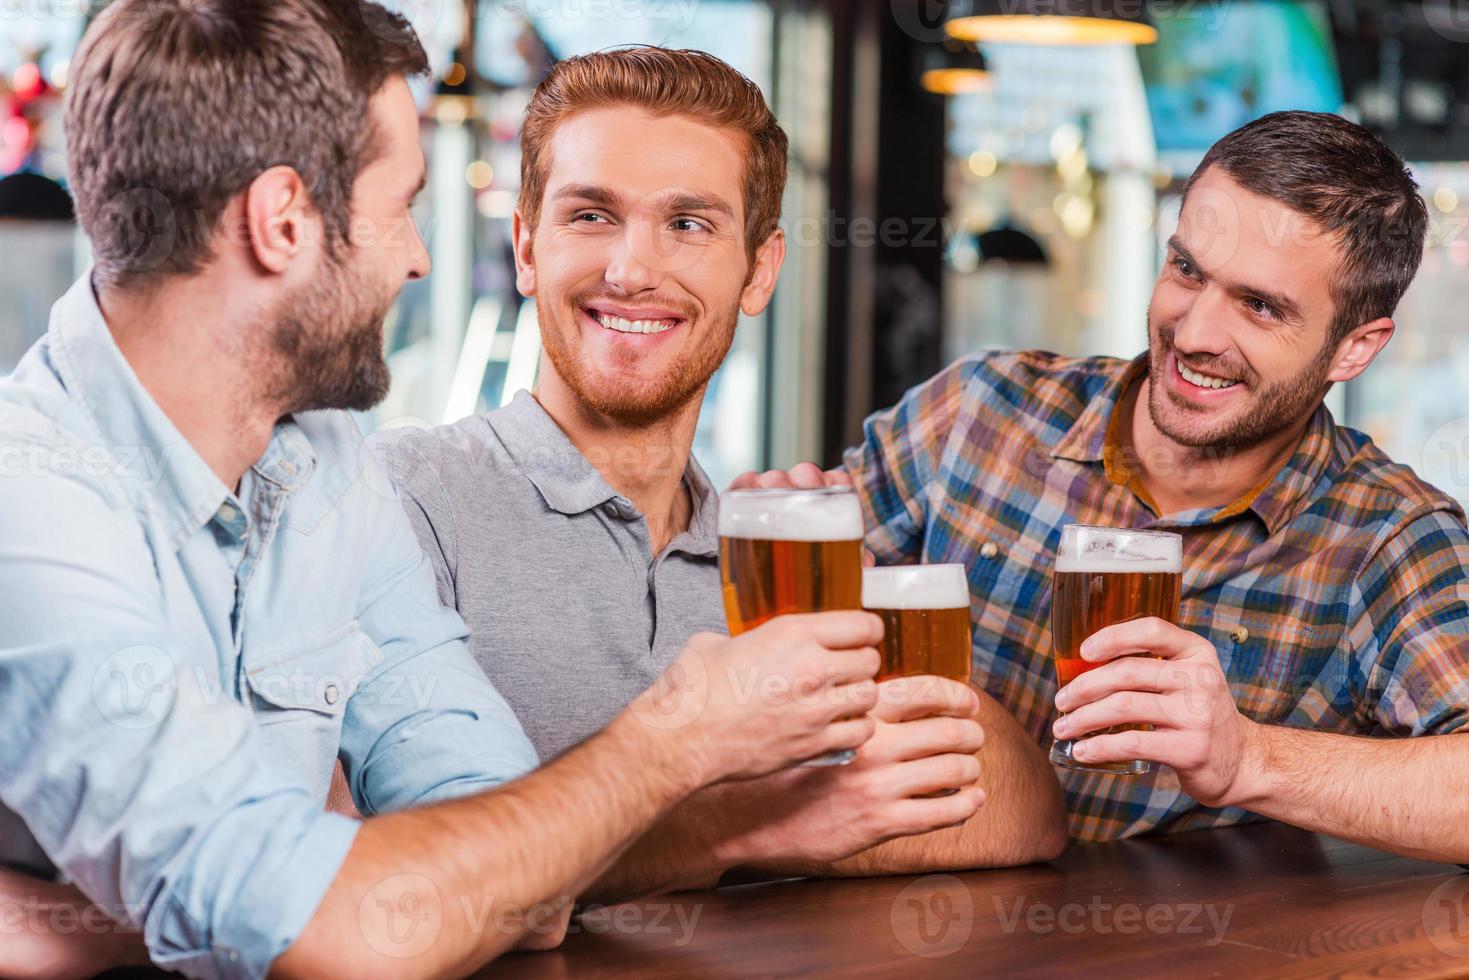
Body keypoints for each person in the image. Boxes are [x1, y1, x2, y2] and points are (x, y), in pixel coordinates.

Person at [0, 3, 934, 977]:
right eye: (401, 204)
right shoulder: (29, 500)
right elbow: (342, 928)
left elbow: (525, 891)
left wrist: (92, 918)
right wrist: (674, 738)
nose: (418, 256)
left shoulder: (324, 467)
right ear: (281, 222)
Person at [371, 45, 1067, 892]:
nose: (630, 271)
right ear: (525, 247)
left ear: (759, 272)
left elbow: (1022, 811)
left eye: (688, 225)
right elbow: (389, 874)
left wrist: (867, 657)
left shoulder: (776, 565)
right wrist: (742, 823)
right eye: (590, 215)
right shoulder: (402, 498)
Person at [743, 111, 1469, 864]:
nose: (1193, 334)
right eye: (1186, 270)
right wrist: (787, 554)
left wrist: (1248, 758)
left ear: (1353, 348)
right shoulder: (981, 408)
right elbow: (776, 647)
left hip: (1169, 932)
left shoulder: (1388, 537)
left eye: (1258, 306)